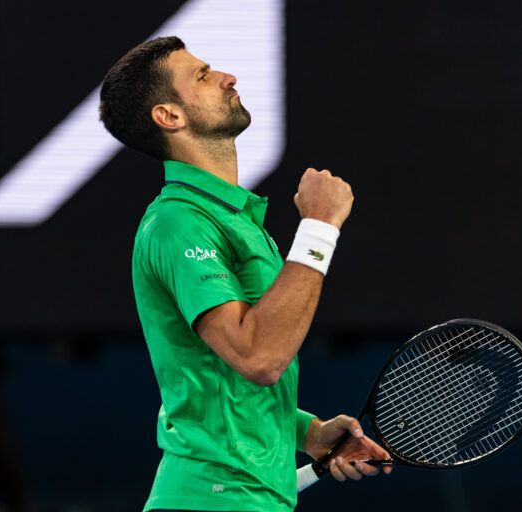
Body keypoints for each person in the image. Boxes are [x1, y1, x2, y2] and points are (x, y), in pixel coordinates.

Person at [99, 36, 391, 512]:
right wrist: (319, 228)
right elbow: (259, 357)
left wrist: (308, 432)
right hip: (211, 497)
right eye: (202, 76)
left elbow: (214, 379)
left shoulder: (232, 220)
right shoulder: (178, 223)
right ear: (169, 116)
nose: (226, 78)